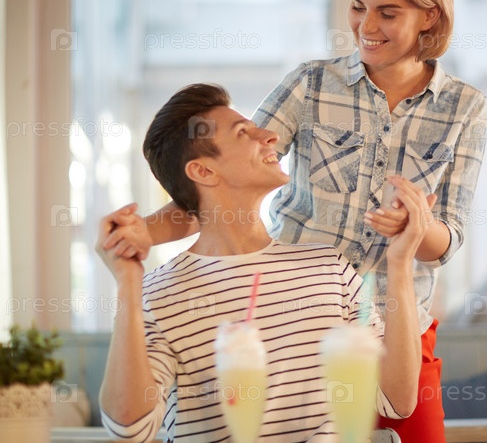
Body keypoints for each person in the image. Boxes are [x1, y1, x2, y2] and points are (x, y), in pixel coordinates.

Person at [104, 0, 487, 442]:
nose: (366, 26)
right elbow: (225, 176)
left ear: (430, 17)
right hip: (292, 313)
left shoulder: (465, 108)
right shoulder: (312, 84)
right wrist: (139, 240)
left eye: (388, 13)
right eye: (357, 6)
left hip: (398, 321)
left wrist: (413, 230)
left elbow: (449, 236)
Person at [96, 83, 429, 442]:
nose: (270, 136)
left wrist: (400, 262)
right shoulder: (159, 294)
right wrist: (128, 286)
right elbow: (128, 428)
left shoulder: (328, 268)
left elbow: (396, 400)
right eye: (244, 133)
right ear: (203, 172)